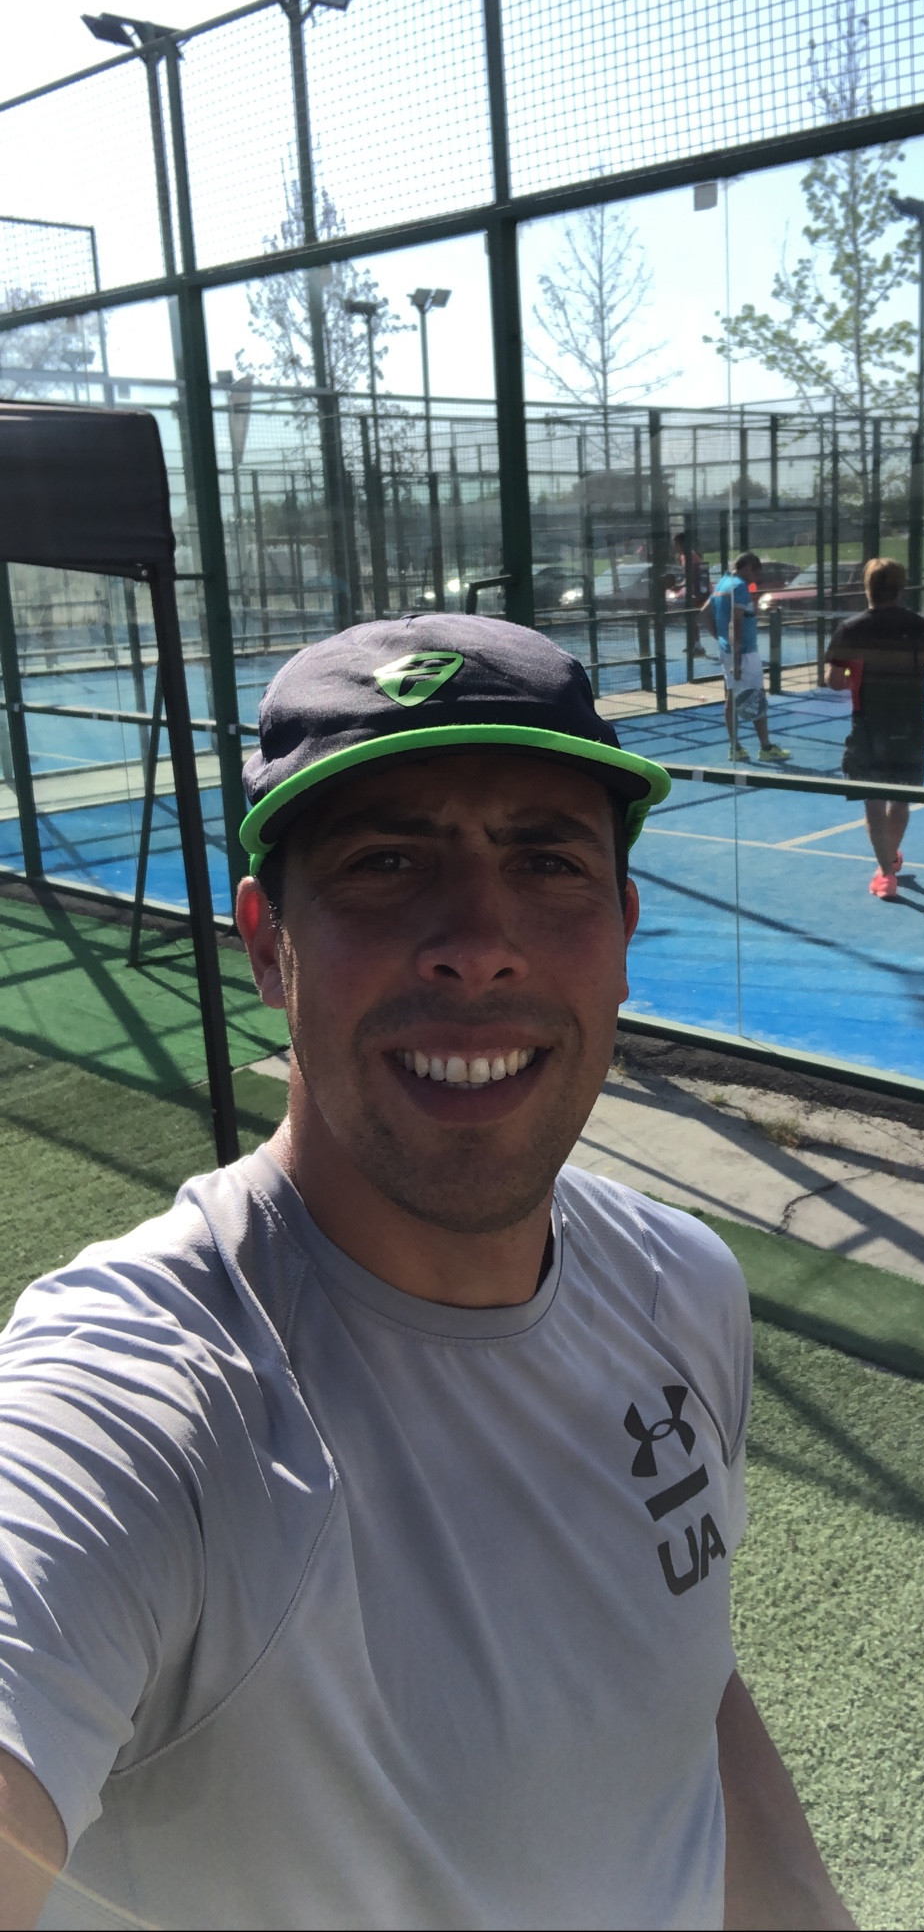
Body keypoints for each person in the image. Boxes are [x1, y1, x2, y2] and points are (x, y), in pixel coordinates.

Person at [0, 615, 854, 1932]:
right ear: (267, 944)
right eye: (385, 863)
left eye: (546, 860)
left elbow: (694, 1690)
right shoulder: (146, 1396)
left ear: (624, 930)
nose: (477, 939)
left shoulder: (684, 1285)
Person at [824, 557, 924, 901]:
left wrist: (855, 674)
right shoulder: (921, 627)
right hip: (909, 726)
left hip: (868, 727)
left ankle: (885, 871)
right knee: (900, 799)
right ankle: (888, 860)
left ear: (866, 587)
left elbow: (833, 680)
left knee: (874, 802)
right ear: (901, 588)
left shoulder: (850, 629)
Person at [699, 551, 792, 765]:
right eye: (755, 572)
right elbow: (736, 622)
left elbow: (703, 614)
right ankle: (766, 747)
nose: (756, 578)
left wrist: (721, 639)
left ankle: (735, 748)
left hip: (727, 652)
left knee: (731, 697)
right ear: (748, 567)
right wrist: (738, 658)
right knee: (756, 697)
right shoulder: (740, 587)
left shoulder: (722, 583)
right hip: (745, 654)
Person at [672, 528, 711, 656]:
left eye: (676, 544)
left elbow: (693, 575)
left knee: (692, 617)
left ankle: (698, 647)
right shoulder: (686, 555)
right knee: (690, 617)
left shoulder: (688, 556)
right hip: (696, 591)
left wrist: (680, 586)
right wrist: (681, 585)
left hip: (700, 591)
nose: (675, 547)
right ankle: (695, 645)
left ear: (681, 543)